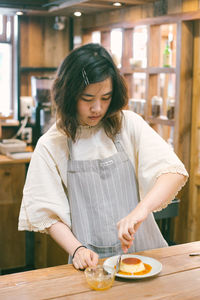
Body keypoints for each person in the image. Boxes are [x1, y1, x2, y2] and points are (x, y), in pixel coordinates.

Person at [18, 43, 188, 270]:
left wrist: (140, 211)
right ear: (69, 95)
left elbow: (172, 172)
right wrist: (76, 249)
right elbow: (47, 213)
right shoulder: (52, 143)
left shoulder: (128, 125)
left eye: (106, 98)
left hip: (146, 253)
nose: (97, 108)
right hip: (92, 264)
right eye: (88, 98)